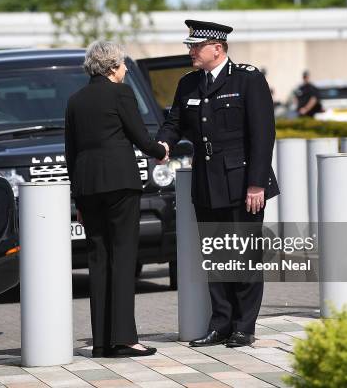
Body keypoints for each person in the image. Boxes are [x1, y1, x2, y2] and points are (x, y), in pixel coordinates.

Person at [156, 20, 279, 348]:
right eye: (190, 46)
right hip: (207, 183)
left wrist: (257, 183)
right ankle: (221, 323)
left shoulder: (248, 79)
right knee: (217, 255)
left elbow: (263, 134)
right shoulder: (188, 84)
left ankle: (244, 326)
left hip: (242, 183)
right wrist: (164, 145)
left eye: (195, 46)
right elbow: (174, 123)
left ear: (218, 48)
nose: (191, 51)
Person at [65, 41, 167, 358]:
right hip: (120, 186)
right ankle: (124, 339)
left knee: (98, 261)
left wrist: (78, 198)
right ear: (111, 68)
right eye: (122, 65)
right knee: (123, 259)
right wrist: (161, 151)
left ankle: (101, 343)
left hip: (88, 188)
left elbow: (71, 153)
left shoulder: (75, 100)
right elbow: (139, 135)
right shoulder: (120, 93)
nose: (124, 70)